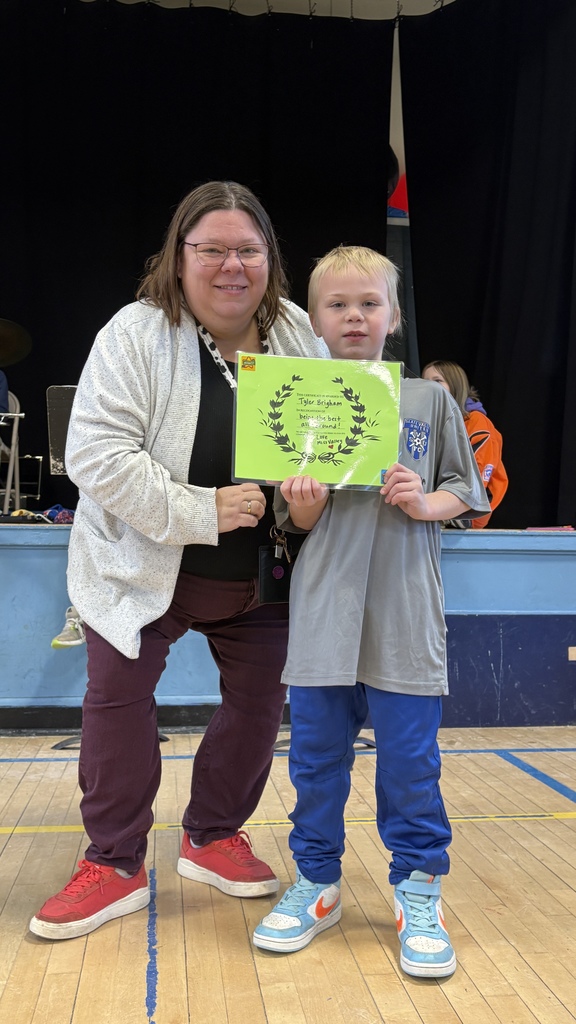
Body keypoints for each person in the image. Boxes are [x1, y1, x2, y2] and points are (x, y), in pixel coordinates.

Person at [29, 180, 328, 941]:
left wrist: (313, 494)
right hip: (140, 568)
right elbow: (94, 453)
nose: (233, 265)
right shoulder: (134, 333)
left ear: (270, 258)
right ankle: (115, 861)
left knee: (260, 709)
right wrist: (201, 509)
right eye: (213, 250)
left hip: (263, 574)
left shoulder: (295, 330)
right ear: (180, 256)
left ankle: (214, 833)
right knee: (118, 705)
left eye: (249, 250)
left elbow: (326, 438)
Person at [252, 246, 491, 977]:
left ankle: (418, 887)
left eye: (369, 304)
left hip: (405, 618)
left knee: (411, 768)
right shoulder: (290, 395)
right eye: (337, 305)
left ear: (392, 318)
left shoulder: (429, 400)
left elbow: (466, 488)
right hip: (325, 618)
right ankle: (317, 883)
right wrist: (302, 507)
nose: (354, 316)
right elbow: (286, 522)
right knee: (316, 764)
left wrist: (426, 502)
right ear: (314, 321)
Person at [421, 360, 508, 528]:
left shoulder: (477, 423)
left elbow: (478, 478)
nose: (429, 387)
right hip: (433, 510)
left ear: (455, 386)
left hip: (468, 513)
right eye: (425, 381)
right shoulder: (427, 423)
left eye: (437, 381)